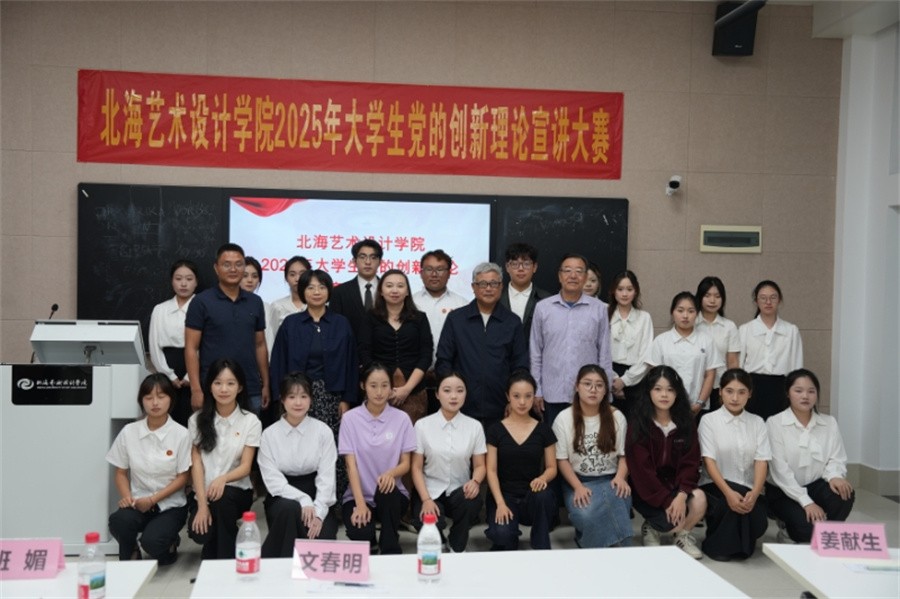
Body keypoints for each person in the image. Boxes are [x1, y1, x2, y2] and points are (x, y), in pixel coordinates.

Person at [269, 269, 358, 496]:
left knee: (331, 449)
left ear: (329, 291)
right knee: (298, 447)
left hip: (331, 396)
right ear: (302, 291)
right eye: (310, 287)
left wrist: (347, 399)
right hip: (296, 396)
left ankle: (333, 501)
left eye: (321, 287)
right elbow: (278, 361)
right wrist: (282, 397)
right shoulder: (291, 324)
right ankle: (298, 498)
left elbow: (351, 363)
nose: (316, 292)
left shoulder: (341, 323)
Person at [107, 374, 191, 565]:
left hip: (170, 505)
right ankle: (131, 550)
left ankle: (170, 543)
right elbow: (120, 472)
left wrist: (153, 500)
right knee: (118, 521)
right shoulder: (129, 432)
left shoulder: (181, 434)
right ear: (141, 401)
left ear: (171, 399)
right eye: (148, 397)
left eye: (161, 397)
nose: (155, 403)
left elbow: (183, 477)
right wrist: (127, 497)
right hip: (138, 502)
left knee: (153, 543)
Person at [435, 262, 528, 431]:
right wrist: (451, 395)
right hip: (461, 407)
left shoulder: (512, 322)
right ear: (473, 287)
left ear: (501, 287)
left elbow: (520, 365)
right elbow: (443, 361)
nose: (488, 288)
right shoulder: (456, 319)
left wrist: (513, 399)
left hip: (501, 408)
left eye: (494, 283)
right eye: (482, 284)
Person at [626, 365, 706, 559]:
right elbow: (641, 471)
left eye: (670, 389)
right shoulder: (638, 423)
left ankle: (681, 536)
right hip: (647, 489)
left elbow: (691, 462)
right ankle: (652, 527)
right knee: (670, 522)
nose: (664, 395)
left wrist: (681, 495)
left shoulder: (685, 422)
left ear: (677, 393)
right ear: (649, 392)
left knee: (700, 499)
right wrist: (668, 501)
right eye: (658, 389)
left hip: (675, 486)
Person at [766, 368, 854, 543]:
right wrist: (806, 502)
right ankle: (788, 527)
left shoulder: (829, 423)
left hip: (816, 485)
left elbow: (836, 457)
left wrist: (835, 476)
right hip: (784, 491)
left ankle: (826, 531)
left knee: (844, 493)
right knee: (805, 531)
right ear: (788, 393)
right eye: (798, 391)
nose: (805, 396)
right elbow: (780, 471)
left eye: (811, 391)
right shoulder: (774, 423)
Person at [187, 358, 261, 559]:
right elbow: (196, 465)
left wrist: (223, 479)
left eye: (230, 383)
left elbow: (246, 467)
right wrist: (202, 506)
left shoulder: (250, 421)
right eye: (218, 383)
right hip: (203, 493)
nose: (224, 389)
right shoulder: (196, 420)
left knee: (222, 500)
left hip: (236, 491)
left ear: (240, 387)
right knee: (200, 532)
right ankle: (221, 543)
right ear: (209, 386)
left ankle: (223, 559)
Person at [339, 364, 417, 555]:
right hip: (358, 495)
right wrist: (360, 504)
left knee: (387, 491)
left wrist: (390, 473)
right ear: (363, 386)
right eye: (373, 385)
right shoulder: (350, 419)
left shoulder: (402, 419)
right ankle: (371, 540)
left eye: (384, 385)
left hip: (392, 496)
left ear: (391, 387)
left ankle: (390, 545)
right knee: (360, 532)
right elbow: (351, 465)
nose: (379, 392)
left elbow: (406, 464)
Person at [259, 372, 339, 558]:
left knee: (322, 539)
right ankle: (284, 565)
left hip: (316, 493)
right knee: (288, 511)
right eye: (292, 397)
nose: (298, 403)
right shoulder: (269, 435)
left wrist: (318, 513)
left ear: (311, 399)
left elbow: (327, 477)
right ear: (282, 399)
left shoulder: (323, 431)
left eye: (303, 396)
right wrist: (303, 499)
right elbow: (273, 481)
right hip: (282, 496)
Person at [530, 253, 615, 427]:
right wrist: (536, 390)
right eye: (567, 270)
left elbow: (604, 353)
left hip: (588, 394)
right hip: (552, 394)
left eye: (579, 271)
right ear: (559, 276)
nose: (573, 276)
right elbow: (535, 352)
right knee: (555, 441)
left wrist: (606, 392)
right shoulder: (543, 308)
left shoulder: (599, 309)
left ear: (585, 277)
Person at [185, 243, 269, 413]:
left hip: (250, 387)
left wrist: (266, 384)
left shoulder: (255, 302)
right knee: (211, 431)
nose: (233, 269)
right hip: (213, 388)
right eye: (226, 264)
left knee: (250, 430)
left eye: (238, 264)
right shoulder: (201, 302)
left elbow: (260, 345)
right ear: (216, 268)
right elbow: (191, 348)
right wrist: (196, 389)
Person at [553, 364, 631, 548]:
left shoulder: (617, 417)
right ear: (577, 386)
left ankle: (606, 547)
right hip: (579, 480)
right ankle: (615, 547)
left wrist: (620, 477)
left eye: (599, 385)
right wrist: (578, 487)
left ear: (605, 390)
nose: (593, 389)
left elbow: (624, 455)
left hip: (611, 478)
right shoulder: (563, 418)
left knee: (618, 505)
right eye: (587, 384)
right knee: (585, 515)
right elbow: (561, 459)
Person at [698, 368, 771, 561]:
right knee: (730, 503)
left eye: (741, 392)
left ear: (750, 394)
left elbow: (761, 461)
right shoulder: (709, 421)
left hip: (748, 489)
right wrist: (728, 492)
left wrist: (755, 493)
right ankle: (721, 547)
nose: (735, 398)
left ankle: (724, 544)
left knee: (758, 520)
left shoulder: (757, 423)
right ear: (720, 392)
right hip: (715, 486)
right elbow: (708, 461)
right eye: (729, 391)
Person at [411, 371, 486, 553]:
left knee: (472, 501)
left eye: (460, 391)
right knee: (426, 520)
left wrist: (475, 481)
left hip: (460, 490)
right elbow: (416, 467)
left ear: (466, 393)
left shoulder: (474, 426)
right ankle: (438, 538)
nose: (454, 396)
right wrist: (426, 499)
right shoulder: (422, 425)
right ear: (437, 394)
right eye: (447, 390)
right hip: (430, 489)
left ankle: (456, 542)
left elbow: (480, 466)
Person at [485, 370, 557, 551]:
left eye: (528, 396)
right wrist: (500, 503)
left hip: (532, 495)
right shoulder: (495, 430)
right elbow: (491, 470)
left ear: (534, 396)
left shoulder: (544, 430)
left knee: (544, 495)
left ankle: (541, 544)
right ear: (508, 396)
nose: (522, 402)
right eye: (516, 396)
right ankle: (509, 535)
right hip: (504, 496)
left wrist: (543, 478)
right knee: (503, 537)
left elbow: (552, 467)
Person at [358, 269, 433, 425]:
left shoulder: (419, 318)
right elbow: (365, 353)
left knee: (411, 436)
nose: (394, 290)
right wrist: (382, 386)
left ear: (407, 291)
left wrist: (407, 389)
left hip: (414, 390)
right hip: (377, 391)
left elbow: (426, 355)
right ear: (381, 291)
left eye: (400, 286)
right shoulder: (370, 317)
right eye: (389, 285)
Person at [642, 292, 722, 418]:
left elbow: (710, 375)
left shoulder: (707, 341)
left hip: (697, 408)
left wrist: (699, 403)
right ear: (672, 312)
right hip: (665, 407)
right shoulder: (661, 341)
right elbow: (654, 377)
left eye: (691, 311)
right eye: (680, 310)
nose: (685, 316)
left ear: (697, 314)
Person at [412, 249, 469, 414]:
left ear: (449, 273)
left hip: (452, 381)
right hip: (415, 380)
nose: (434, 274)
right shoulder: (410, 303)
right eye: (429, 269)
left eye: (440, 269)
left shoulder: (462, 304)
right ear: (421, 273)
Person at [739, 280, 804, 420]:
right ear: (756, 301)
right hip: (752, 388)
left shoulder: (791, 330)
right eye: (763, 298)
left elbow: (797, 368)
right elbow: (739, 366)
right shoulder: (745, 330)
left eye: (773, 297)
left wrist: (796, 393)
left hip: (781, 389)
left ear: (779, 300)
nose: (768, 302)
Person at [148, 259, 200, 426]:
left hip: (196, 367)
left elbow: (205, 344)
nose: (183, 284)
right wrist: (168, 375)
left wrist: (190, 377)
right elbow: (154, 346)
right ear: (172, 281)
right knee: (168, 418)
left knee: (194, 420)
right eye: (178, 279)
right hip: (167, 366)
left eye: (189, 279)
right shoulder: (160, 309)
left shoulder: (203, 308)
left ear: (196, 282)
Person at [608, 270, 653, 420]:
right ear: (614, 291)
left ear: (636, 291)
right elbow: (599, 351)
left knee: (634, 425)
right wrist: (614, 381)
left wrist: (624, 381)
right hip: (608, 374)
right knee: (610, 424)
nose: (624, 294)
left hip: (636, 377)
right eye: (620, 289)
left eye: (629, 289)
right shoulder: (604, 313)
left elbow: (646, 355)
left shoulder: (644, 318)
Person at [695, 276, 741, 413]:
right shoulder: (691, 324)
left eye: (717, 296)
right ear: (700, 297)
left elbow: (732, 362)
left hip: (719, 387)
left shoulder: (729, 326)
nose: (712, 300)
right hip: (694, 385)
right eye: (707, 295)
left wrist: (732, 389)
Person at [499, 243, 551, 348]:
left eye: (526, 264)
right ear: (507, 267)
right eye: (515, 264)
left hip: (534, 356)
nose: (521, 269)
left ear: (534, 267)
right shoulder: (496, 298)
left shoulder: (546, 299)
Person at [329, 239, 383, 340]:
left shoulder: (388, 290)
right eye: (362, 257)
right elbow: (334, 328)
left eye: (373, 257)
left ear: (380, 262)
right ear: (354, 261)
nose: (368, 262)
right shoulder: (339, 292)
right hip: (350, 348)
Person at [269, 255, 312, 334]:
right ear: (286, 278)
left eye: (302, 274)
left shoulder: (320, 304)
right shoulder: (277, 306)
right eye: (292, 274)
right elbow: (273, 336)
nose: (297, 279)